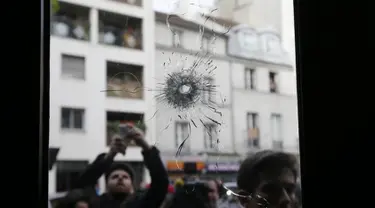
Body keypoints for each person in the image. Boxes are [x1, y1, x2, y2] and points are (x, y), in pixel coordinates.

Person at [74, 125, 169, 208]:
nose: (120, 178)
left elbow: (160, 183)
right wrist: (110, 155)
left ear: (132, 186)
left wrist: (146, 147)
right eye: (114, 177)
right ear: (106, 185)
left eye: (125, 177)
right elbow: (84, 183)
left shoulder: (144, 203)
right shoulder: (96, 203)